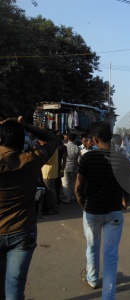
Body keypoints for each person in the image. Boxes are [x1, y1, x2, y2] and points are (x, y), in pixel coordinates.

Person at [0, 116, 62, 299]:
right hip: (23, 231)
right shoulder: (31, 160)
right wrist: (25, 125)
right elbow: (54, 140)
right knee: (15, 284)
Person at [75, 122, 130, 299]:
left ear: (94, 139)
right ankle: (109, 296)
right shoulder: (121, 158)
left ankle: (92, 279)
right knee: (110, 255)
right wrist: (125, 201)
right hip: (114, 212)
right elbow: (129, 186)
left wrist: (84, 205)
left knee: (92, 247)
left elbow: (78, 188)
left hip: (92, 211)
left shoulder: (87, 158)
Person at [38, 139, 60, 215]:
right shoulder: (52, 147)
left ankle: (53, 207)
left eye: (41, 140)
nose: (39, 142)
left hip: (48, 172)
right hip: (48, 172)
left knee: (50, 191)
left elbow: (47, 159)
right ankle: (51, 207)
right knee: (49, 190)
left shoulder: (51, 149)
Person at [61, 132, 80, 204]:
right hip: (74, 167)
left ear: (68, 138)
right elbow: (79, 159)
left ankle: (66, 198)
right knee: (73, 182)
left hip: (65, 166)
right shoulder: (77, 147)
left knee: (65, 182)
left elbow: (62, 158)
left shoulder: (64, 146)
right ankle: (72, 196)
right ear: (75, 139)